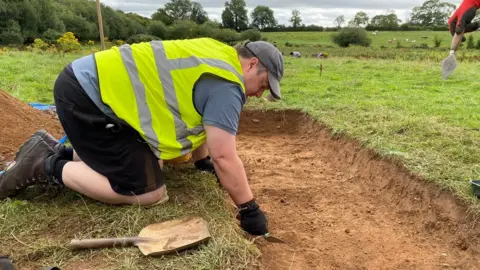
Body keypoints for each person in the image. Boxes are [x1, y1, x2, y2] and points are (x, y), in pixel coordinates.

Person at [0, 37, 284, 236]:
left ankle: (56, 151)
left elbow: (202, 117)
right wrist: (249, 208)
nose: (260, 94)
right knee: (147, 191)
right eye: (263, 84)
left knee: (151, 166)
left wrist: (201, 160)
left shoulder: (217, 55)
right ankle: (45, 165)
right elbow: (225, 156)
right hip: (91, 100)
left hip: (91, 89)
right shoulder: (228, 85)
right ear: (251, 64)